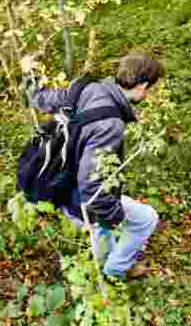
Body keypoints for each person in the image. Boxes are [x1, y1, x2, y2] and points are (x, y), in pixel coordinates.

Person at [24, 53, 165, 281]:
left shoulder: (87, 87)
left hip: (60, 183)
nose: (148, 95)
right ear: (142, 85)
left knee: (101, 228)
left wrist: (30, 79)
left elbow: (43, 99)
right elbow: (92, 185)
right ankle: (114, 272)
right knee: (144, 218)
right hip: (79, 196)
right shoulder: (111, 123)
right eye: (150, 89)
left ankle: (108, 268)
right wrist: (114, 215)